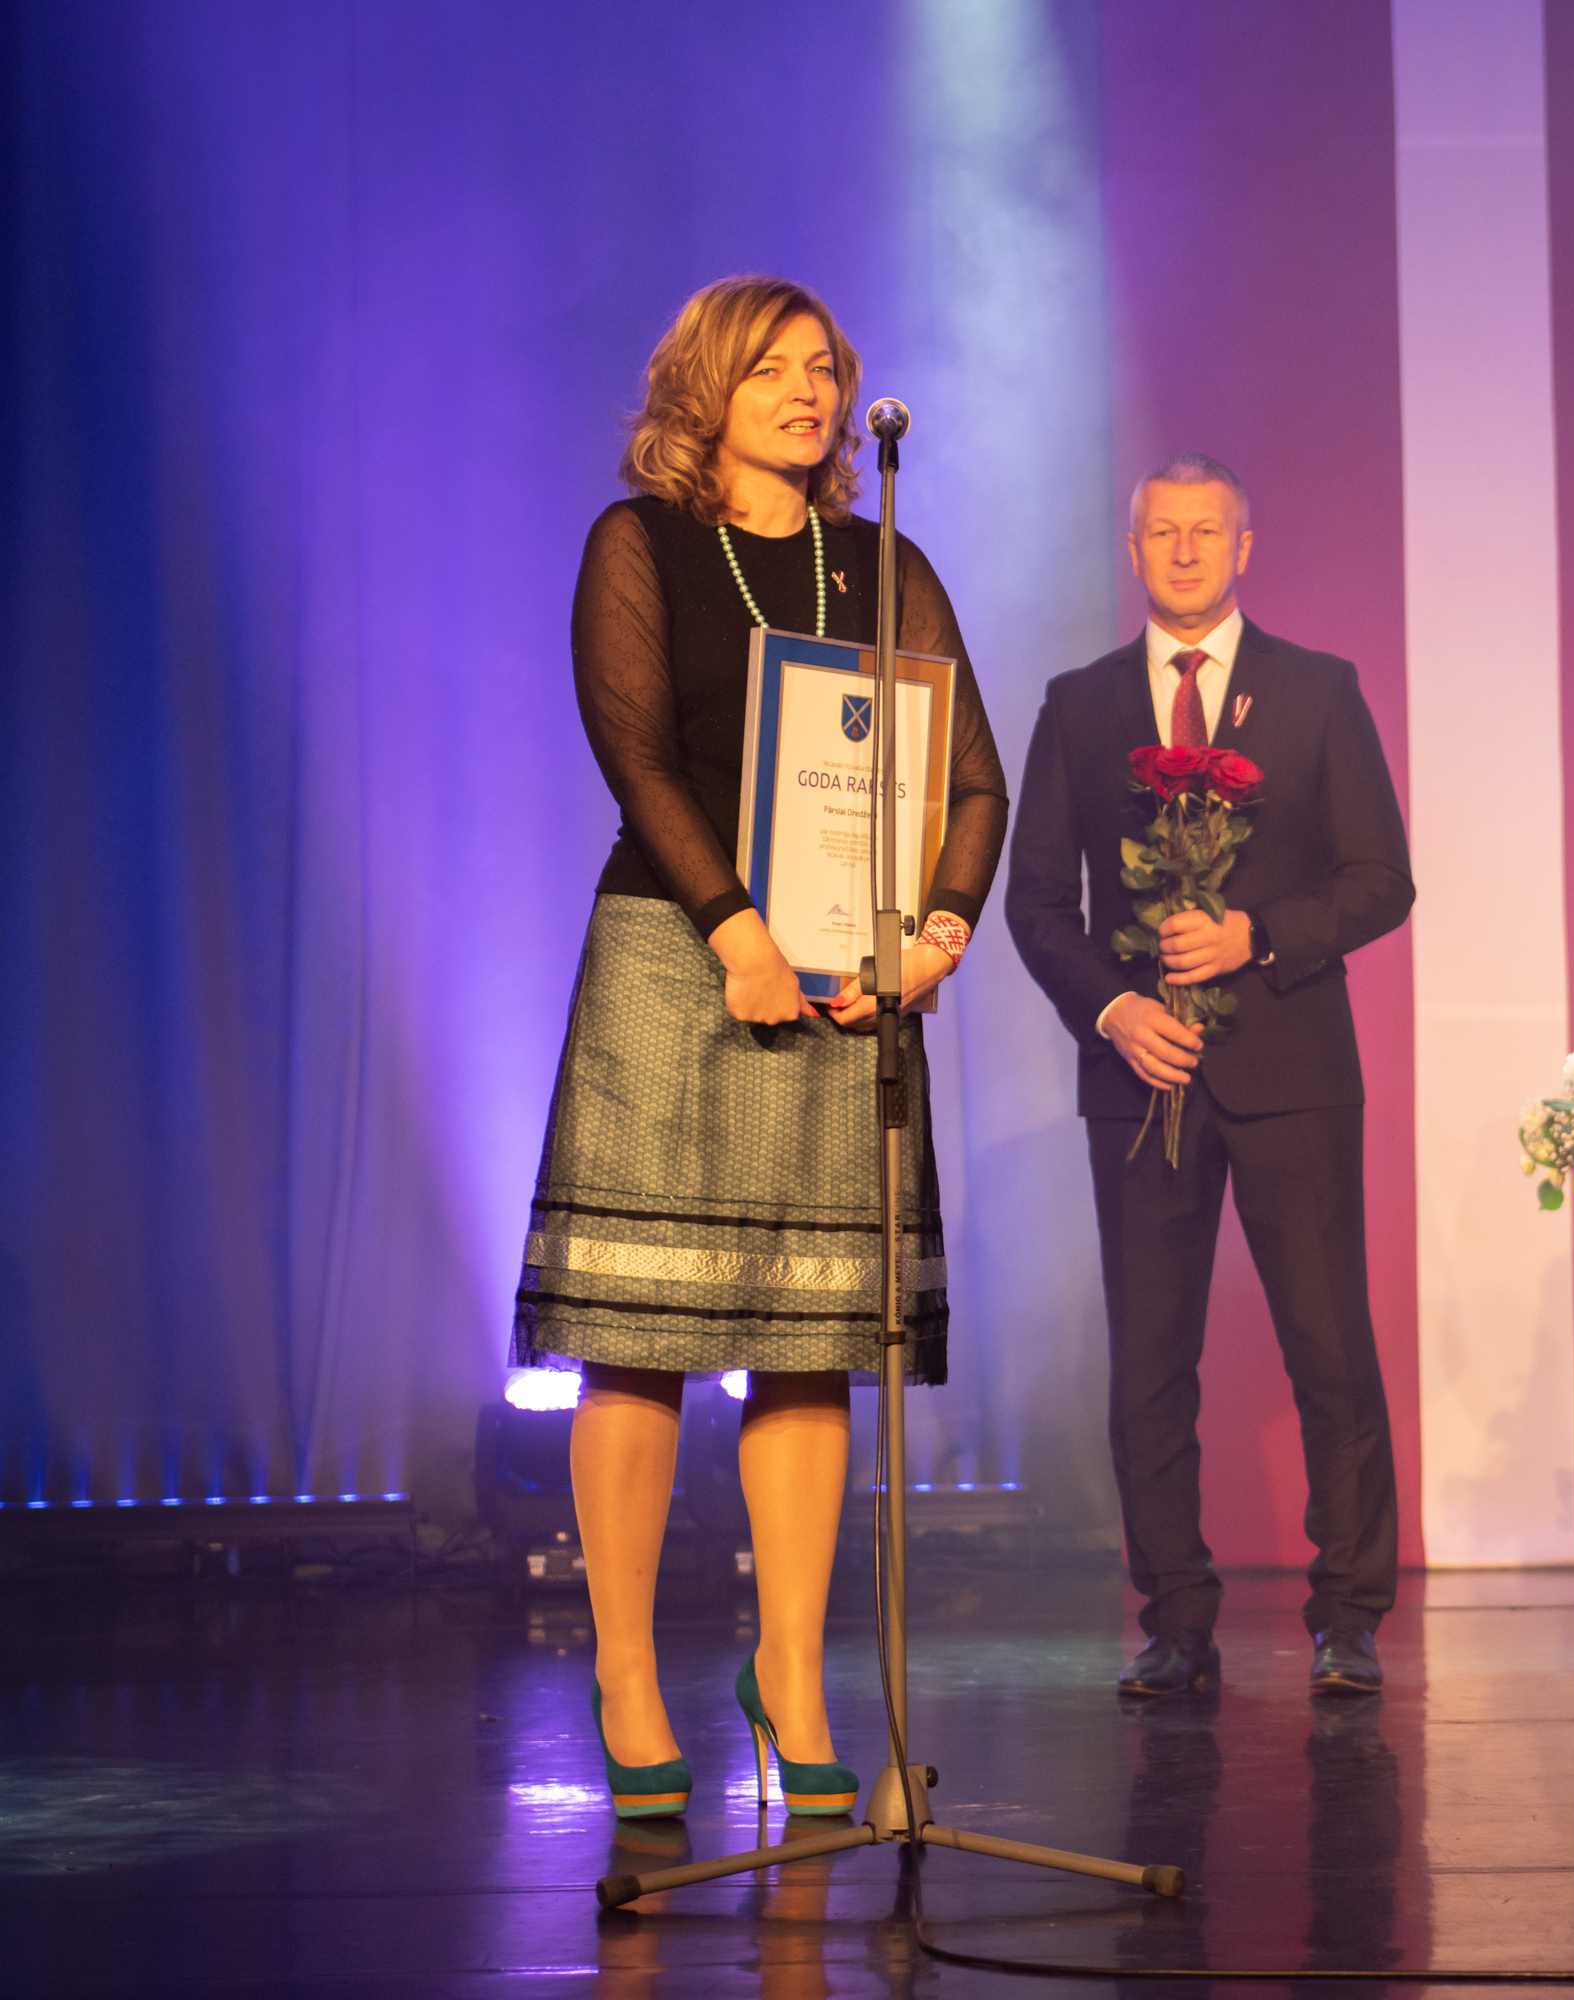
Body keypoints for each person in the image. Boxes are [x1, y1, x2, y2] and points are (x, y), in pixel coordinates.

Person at [515, 276, 1006, 1818]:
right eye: (774, 368)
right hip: (679, 956)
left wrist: (931, 940)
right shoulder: (641, 542)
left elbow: (973, 783)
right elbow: (635, 752)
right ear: (706, 390)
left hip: (848, 979)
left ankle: (790, 1674)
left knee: (810, 1339)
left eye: (825, 369)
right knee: (642, 1331)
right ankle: (626, 1674)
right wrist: (735, 929)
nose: (809, 391)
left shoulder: (883, 564)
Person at [1003, 454, 1414, 1699]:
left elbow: (1381, 880)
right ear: (1133, 548)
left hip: (1293, 1069)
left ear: (1244, 547)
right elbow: (1037, 902)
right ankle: (1175, 1616)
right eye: (1162, 532)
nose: (1184, 551)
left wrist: (1259, 936)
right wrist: (1117, 1010)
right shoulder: (1080, 703)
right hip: (1140, 1078)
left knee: (1329, 1348)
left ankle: (1349, 1614)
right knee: (1149, 1362)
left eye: (1206, 531)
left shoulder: (1319, 689)